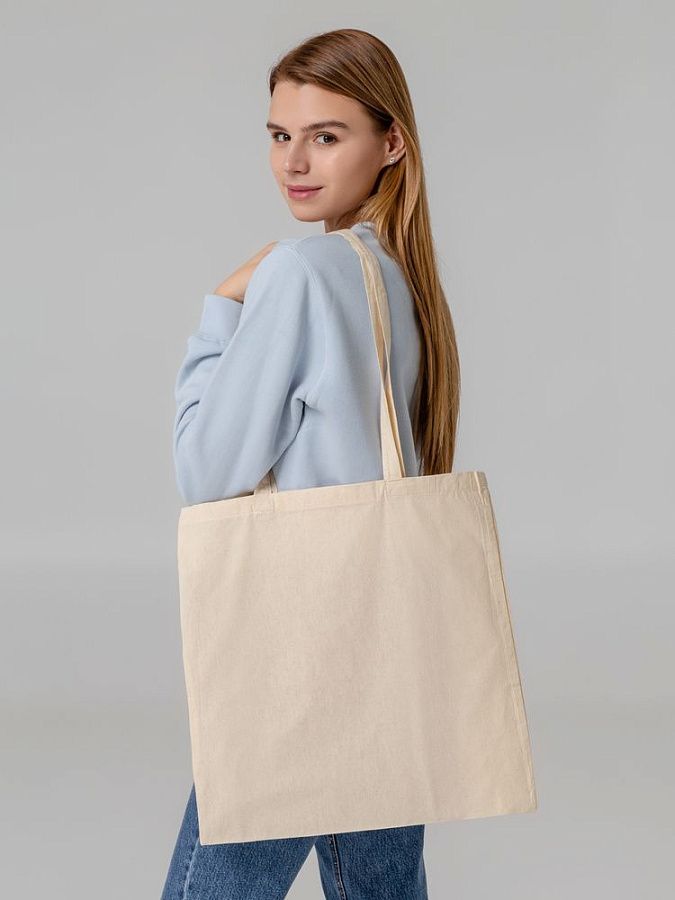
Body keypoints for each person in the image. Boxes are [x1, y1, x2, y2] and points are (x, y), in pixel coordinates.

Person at [161, 27, 461, 900]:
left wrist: (221, 309)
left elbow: (206, 471)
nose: (293, 162)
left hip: (301, 653)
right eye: (278, 135)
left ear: (390, 142)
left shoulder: (302, 272)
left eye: (325, 136)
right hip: (385, 645)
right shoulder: (398, 275)